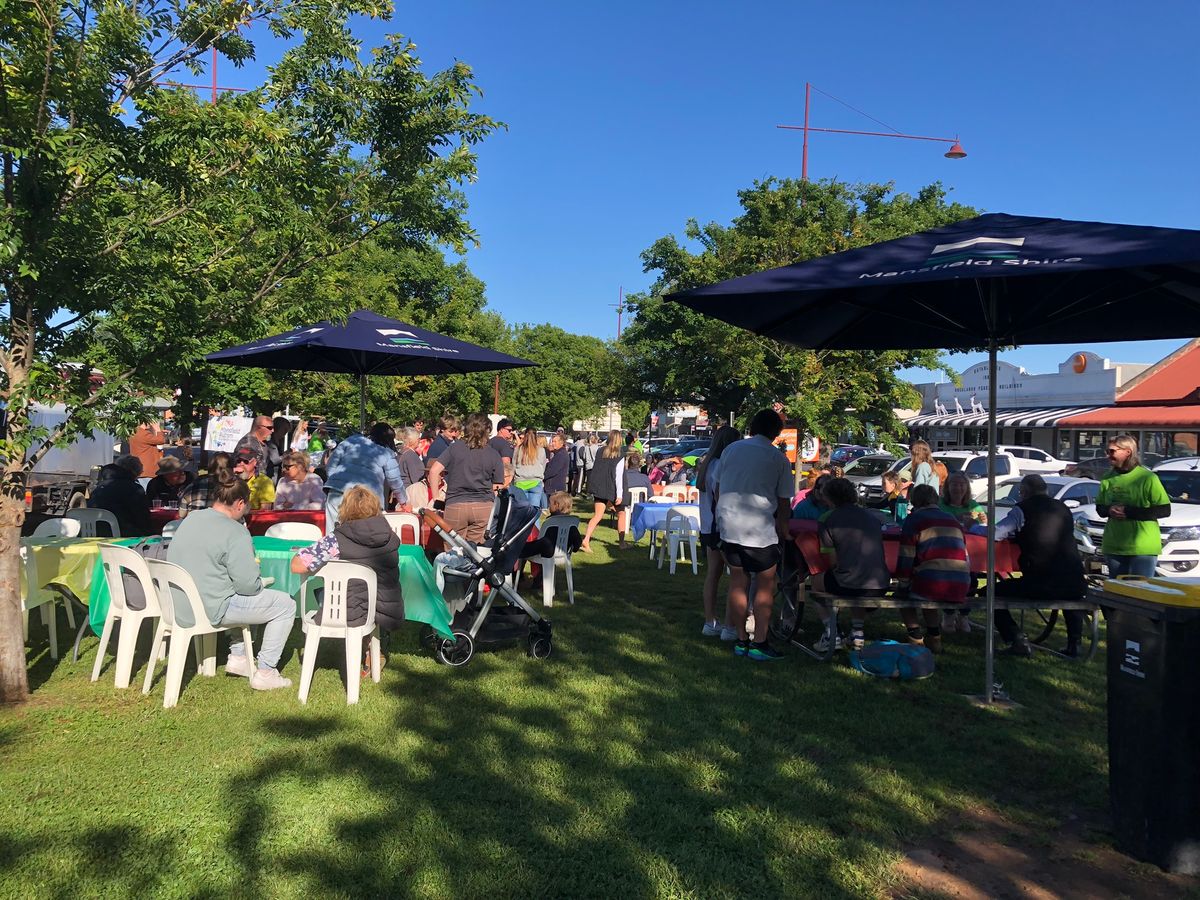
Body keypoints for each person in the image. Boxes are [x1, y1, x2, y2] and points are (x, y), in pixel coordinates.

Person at [167, 477, 294, 690]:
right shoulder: (236, 531)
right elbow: (247, 586)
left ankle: (239, 657)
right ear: (240, 503)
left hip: (178, 602)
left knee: (240, 591)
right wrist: (258, 580)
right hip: (211, 607)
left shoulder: (191, 519)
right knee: (286, 604)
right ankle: (266, 671)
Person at [290, 485, 404, 672]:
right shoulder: (390, 538)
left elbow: (297, 566)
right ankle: (373, 646)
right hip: (381, 607)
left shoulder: (335, 541)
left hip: (346, 610)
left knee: (321, 591)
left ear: (344, 508)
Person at [716, 409, 793, 662]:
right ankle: (760, 641)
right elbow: (783, 502)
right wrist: (784, 529)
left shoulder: (731, 450)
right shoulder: (777, 458)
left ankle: (740, 639)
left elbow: (717, 486)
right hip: (759, 530)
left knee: (737, 582)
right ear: (776, 432)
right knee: (765, 585)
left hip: (729, 525)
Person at [990, 474, 1088, 658]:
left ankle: (1016, 639)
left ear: (1024, 492)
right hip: (1076, 581)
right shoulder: (1063, 508)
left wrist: (973, 527)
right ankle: (1075, 644)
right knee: (1070, 592)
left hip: (1042, 582)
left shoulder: (1022, 509)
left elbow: (997, 533)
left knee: (991, 591)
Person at [812, 477, 890, 652]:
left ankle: (831, 632)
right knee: (856, 577)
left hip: (849, 582)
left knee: (816, 583)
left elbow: (832, 560)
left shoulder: (827, 518)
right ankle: (857, 632)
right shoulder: (871, 516)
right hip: (880, 583)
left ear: (829, 497)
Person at [895, 484, 970, 653]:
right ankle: (934, 636)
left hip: (933, 581)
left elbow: (906, 556)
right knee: (929, 591)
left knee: (903, 598)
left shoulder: (914, 520)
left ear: (914, 501)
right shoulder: (952, 519)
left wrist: (903, 583)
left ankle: (916, 637)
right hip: (960, 582)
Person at [1096, 433, 1171, 578]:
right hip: (1114, 545)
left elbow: (1164, 510)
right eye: (1107, 451)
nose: (1108, 455)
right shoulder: (1107, 477)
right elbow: (1100, 508)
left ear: (1127, 452)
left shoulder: (1147, 478)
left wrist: (1129, 512)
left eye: (1112, 451)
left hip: (1142, 547)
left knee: (1141, 591)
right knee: (1118, 591)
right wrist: (1109, 510)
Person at [426, 412, 504, 543]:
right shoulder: (493, 454)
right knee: (475, 551)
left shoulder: (454, 448)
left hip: (456, 504)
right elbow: (498, 486)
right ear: (487, 431)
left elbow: (434, 471)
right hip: (483, 506)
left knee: (453, 551)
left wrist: (435, 498)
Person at [696, 425, 740, 638]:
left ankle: (710, 621)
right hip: (721, 526)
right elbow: (720, 498)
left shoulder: (707, 465)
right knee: (736, 575)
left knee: (713, 574)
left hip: (707, 526)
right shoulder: (722, 466)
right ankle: (730, 625)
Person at [323, 422, 409, 531]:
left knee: (332, 534)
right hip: (365, 498)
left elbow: (331, 465)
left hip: (337, 491)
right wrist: (404, 502)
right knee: (361, 536)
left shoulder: (351, 441)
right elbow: (395, 481)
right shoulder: (387, 454)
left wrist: (336, 480)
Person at [580, 430, 626, 552]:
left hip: (599, 488)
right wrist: (620, 494)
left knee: (597, 516)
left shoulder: (601, 451)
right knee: (621, 514)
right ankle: (622, 543)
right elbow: (618, 476)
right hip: (611, 489)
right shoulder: (620, 454)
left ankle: (586, 539)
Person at [88, 455, 151, 536]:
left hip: (94, 532)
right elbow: (143, 518)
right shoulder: (133, 488)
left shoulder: (100, 487)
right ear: (135, 472)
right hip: (122, 534)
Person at [519, 492, 582, 559]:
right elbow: (578, 540)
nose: (548, 506)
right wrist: (574, 548)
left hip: (547, 550)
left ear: (556, 505)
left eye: (550, 503)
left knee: (521, 547)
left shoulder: (552, 520)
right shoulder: (571, 522)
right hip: (563, 551)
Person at [178, 452, 234, 518]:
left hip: (194, 526)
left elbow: (181, 514)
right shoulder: (234, 487)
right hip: (223, 526)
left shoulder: (192, 486)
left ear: (210, 466)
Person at [617, 449, 653, 550]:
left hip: (625, 504)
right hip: (640, 505)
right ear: (639, 465)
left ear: (628, 464)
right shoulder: (645, 478)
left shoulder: (623, 477)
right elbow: (651, 495)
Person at [512, 427, 548, 509]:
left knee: (522, 512)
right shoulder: (541, 450)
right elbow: (543, 466)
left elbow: (513, 465)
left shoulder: (518, 449)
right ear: (536, 436)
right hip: (535, 482)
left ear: (525, 436)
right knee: (534, 513)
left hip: (520, 482)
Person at [397, 427, 428, 510]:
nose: (419, 441)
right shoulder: (410, 455)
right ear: (411, 440)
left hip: (400, 492)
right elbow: (418, 478)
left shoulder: (401, 452)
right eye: (418, 439)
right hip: (409, 495)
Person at [489, 418, 516, 487]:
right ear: (501, 429)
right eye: (509, 430)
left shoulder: (488, 442)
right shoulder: (505, 444)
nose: (511, 432)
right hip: (500, 479)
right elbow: (506, 464)